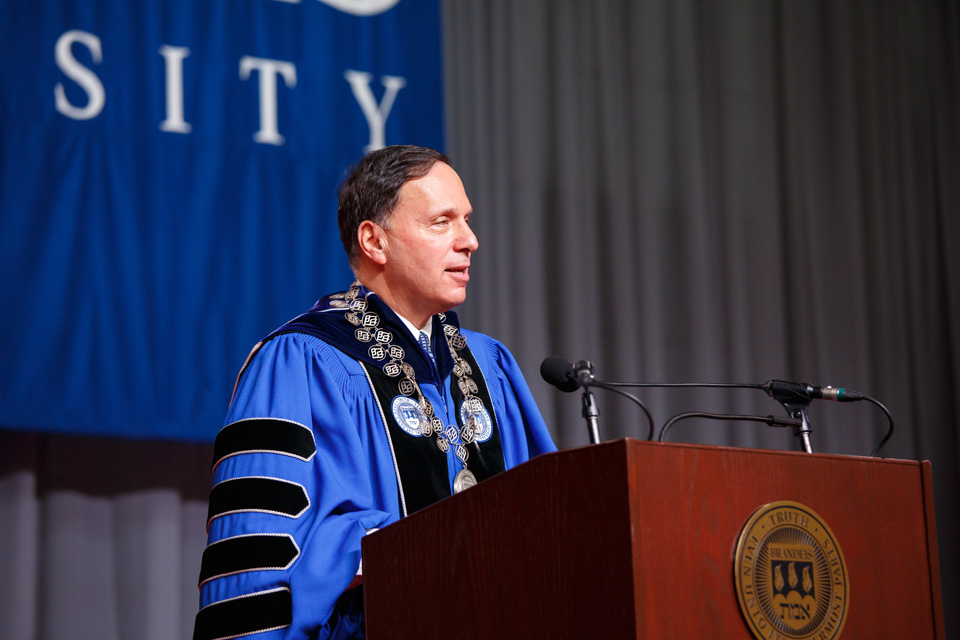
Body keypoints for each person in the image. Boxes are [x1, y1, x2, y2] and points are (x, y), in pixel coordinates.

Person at [193, 145, 556, 640]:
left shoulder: (490, 365)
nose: (469, 240)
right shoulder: (299, 362)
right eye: (441, 221)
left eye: (466, 220)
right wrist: (376, 548)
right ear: (374, 241)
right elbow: (257, 562)